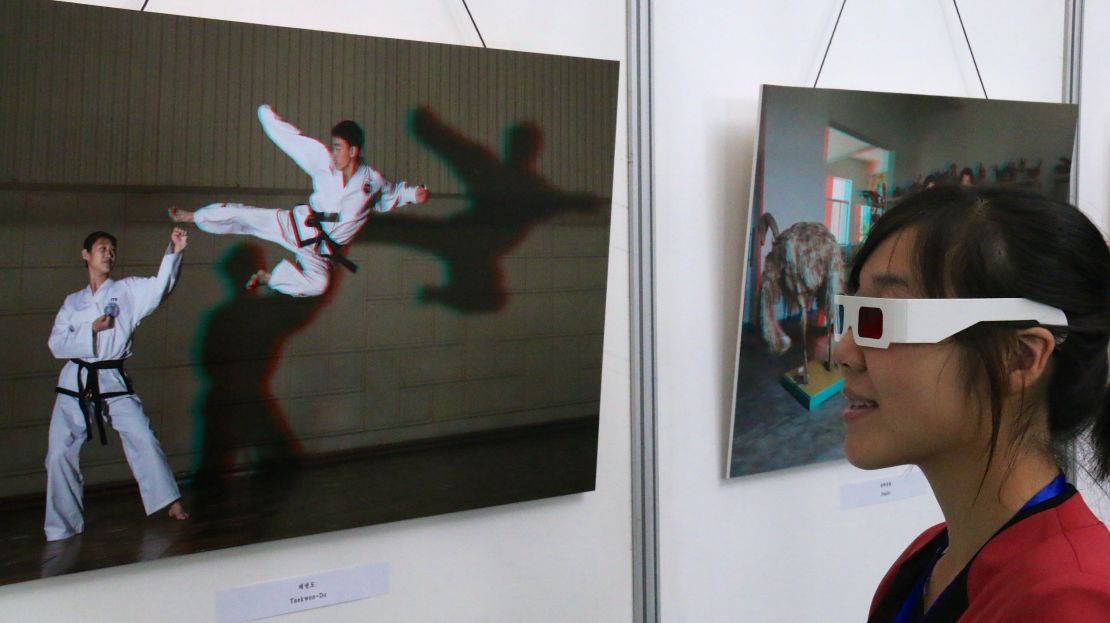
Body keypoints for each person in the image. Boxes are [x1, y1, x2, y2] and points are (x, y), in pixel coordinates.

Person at [832, 185, 1110, 622]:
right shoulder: (925, 562)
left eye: (881, 318)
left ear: (1019, 358)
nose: (843, 352)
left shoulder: (1070, 600)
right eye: (850, 313)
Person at [170, 105, 430, 297]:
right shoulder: (324, 162)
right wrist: (268, 119)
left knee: (319, 285)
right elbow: (294, 142)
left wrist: (414, 194)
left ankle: (269, 278)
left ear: (353, 151)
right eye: (334, 146)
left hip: (321, 254)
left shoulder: (372, 181)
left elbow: (391, 194)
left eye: (339, 147)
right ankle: (195, 216)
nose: (335, 152)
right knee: (247, 218)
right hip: (298, 227)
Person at [45, 228, 190, 542]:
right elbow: (57, 345)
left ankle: (169, 501)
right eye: (101, 248)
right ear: (86, 255)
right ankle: (61, 527)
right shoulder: (73, 302)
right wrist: (91, 331)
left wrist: (174, 252)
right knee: (58, 453)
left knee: (142, 437)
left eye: (112, 249)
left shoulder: (127, 291)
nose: (108, 254)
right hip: (75, 381)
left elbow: (160, 287)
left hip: (111, 378)